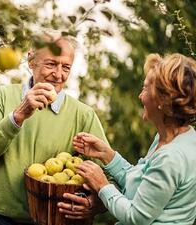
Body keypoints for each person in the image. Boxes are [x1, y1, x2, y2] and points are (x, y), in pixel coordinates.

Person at [0, 35, 110, 225]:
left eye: (66, 67)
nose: (58, 74)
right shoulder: (2, 96)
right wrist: (18, 115)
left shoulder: (83, 115)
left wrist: (95, 204)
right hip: (0, 220)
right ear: (31, 61)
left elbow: (109, 175)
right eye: (51, 64)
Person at [62, 53, 196, 224]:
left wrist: (102, 185)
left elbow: (136, 217)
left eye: (146, 89)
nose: (140, 96)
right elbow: (141, 185)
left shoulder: (172, 157)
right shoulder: (177, 137)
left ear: (163, 100)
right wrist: (108, 156)